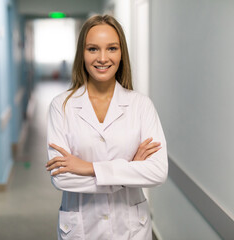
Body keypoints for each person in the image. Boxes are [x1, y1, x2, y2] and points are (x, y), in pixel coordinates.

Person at [46, 14, 168, 240]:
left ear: (122, 54)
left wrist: (87, 167)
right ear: (82, 54)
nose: (102, 58)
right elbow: (62, 177)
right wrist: (129, 170)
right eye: (93, 49)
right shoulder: (61, 106)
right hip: (81, 229)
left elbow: (157, 172)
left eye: (111, 48)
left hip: (130, 229)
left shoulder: (141, 105)